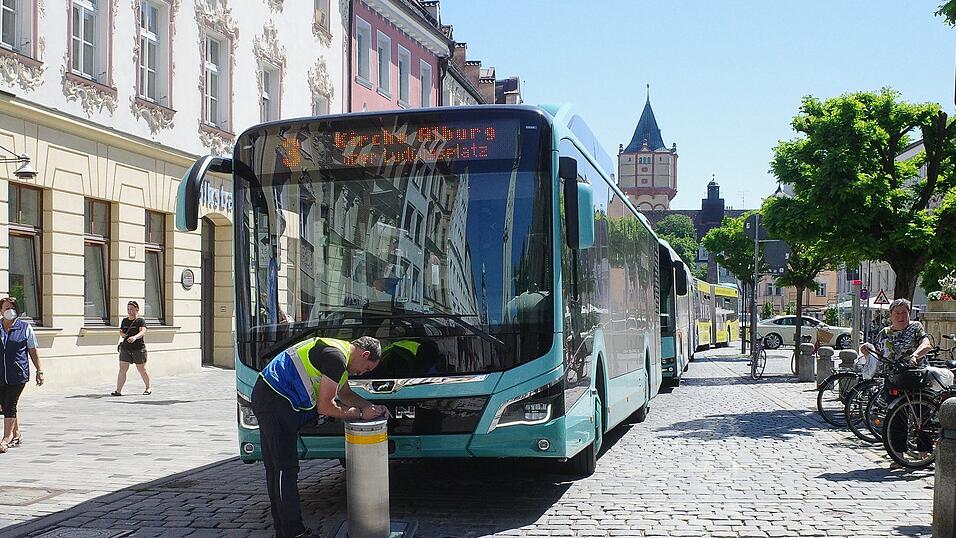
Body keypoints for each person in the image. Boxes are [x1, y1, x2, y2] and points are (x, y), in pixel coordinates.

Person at [252, 336, 387, 537]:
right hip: (275, 401)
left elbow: (347, 395)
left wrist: (370, 407)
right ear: (365, 354)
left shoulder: (340, 354)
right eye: (366, 368)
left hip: (272, 397)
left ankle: (284, 531)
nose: (361, 372)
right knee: (284, 470)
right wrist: (360, 414)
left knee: (277, 470)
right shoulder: (336, 358)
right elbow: (325, 407)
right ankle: (292, 532)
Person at [859, 298, 933, 465]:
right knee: (896, 416)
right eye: (897, 313)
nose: (901, 316)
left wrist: (915, 355)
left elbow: (926, 344)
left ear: (909, 313)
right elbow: (878, 354)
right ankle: (898, 455)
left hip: (915, 376)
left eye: (904, 313)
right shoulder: (884, 332)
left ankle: (924, 454)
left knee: (922, 414)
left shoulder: (915, 327)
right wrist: (866, 352)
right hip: (893, 378)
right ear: (890, 315)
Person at [0, 297, 43, 453]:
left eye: (12, 308)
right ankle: (16, 434)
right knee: (5, 405)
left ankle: (6, 439)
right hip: (0, 374)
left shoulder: (25, 328)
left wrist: (40, 370)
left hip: (18, 374)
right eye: (5, 308)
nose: (9, 311)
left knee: (9, 404)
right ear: (1, 311)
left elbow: (33, 351)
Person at [112, 301, 150, 396]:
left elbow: (143, 331)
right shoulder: (125, 320)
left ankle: (148, 387)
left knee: (142, 369)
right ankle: (118, 390)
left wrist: (134, 337)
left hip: (138, 349)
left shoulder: (140, 321)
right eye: (128, 309)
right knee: (122, 369)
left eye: (132, 309)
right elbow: (121, 331)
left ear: (137, 309)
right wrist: (123, 335)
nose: (129, 311)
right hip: (126, 349)